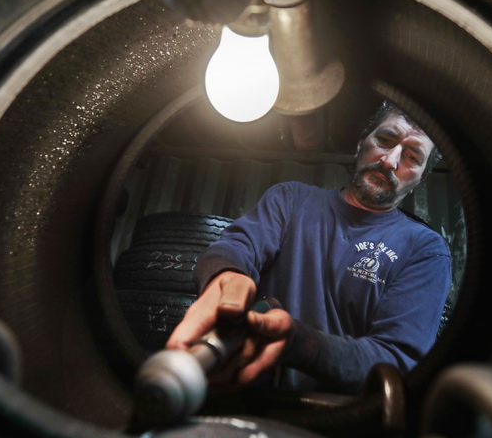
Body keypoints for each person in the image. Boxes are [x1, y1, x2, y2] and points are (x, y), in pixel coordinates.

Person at [166, 102, 451, 394]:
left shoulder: (425, 249)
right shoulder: (291, 199)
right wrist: (226, 278)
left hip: (339, 417)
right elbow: (236, 246)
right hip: (246, 397)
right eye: (385, 140)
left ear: (422, 178)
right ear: (360, 143)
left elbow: (398, 360)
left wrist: (302, 344)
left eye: (412, 156)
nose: (390, 160)